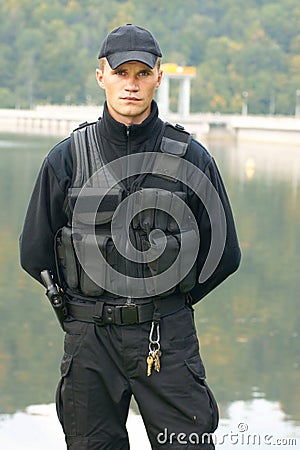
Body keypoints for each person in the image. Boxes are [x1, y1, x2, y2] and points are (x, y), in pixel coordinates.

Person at [20, 24, 241, 450]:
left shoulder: (192, 159)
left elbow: (225, 255)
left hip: (167, 341)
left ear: (159, 76)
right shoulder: (65, 158)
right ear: (101, 75)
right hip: (90, 344)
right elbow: (34, 253)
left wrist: (169, 303)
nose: (132, 85)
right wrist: (84, 310)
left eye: (142, 74)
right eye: (122, 74)